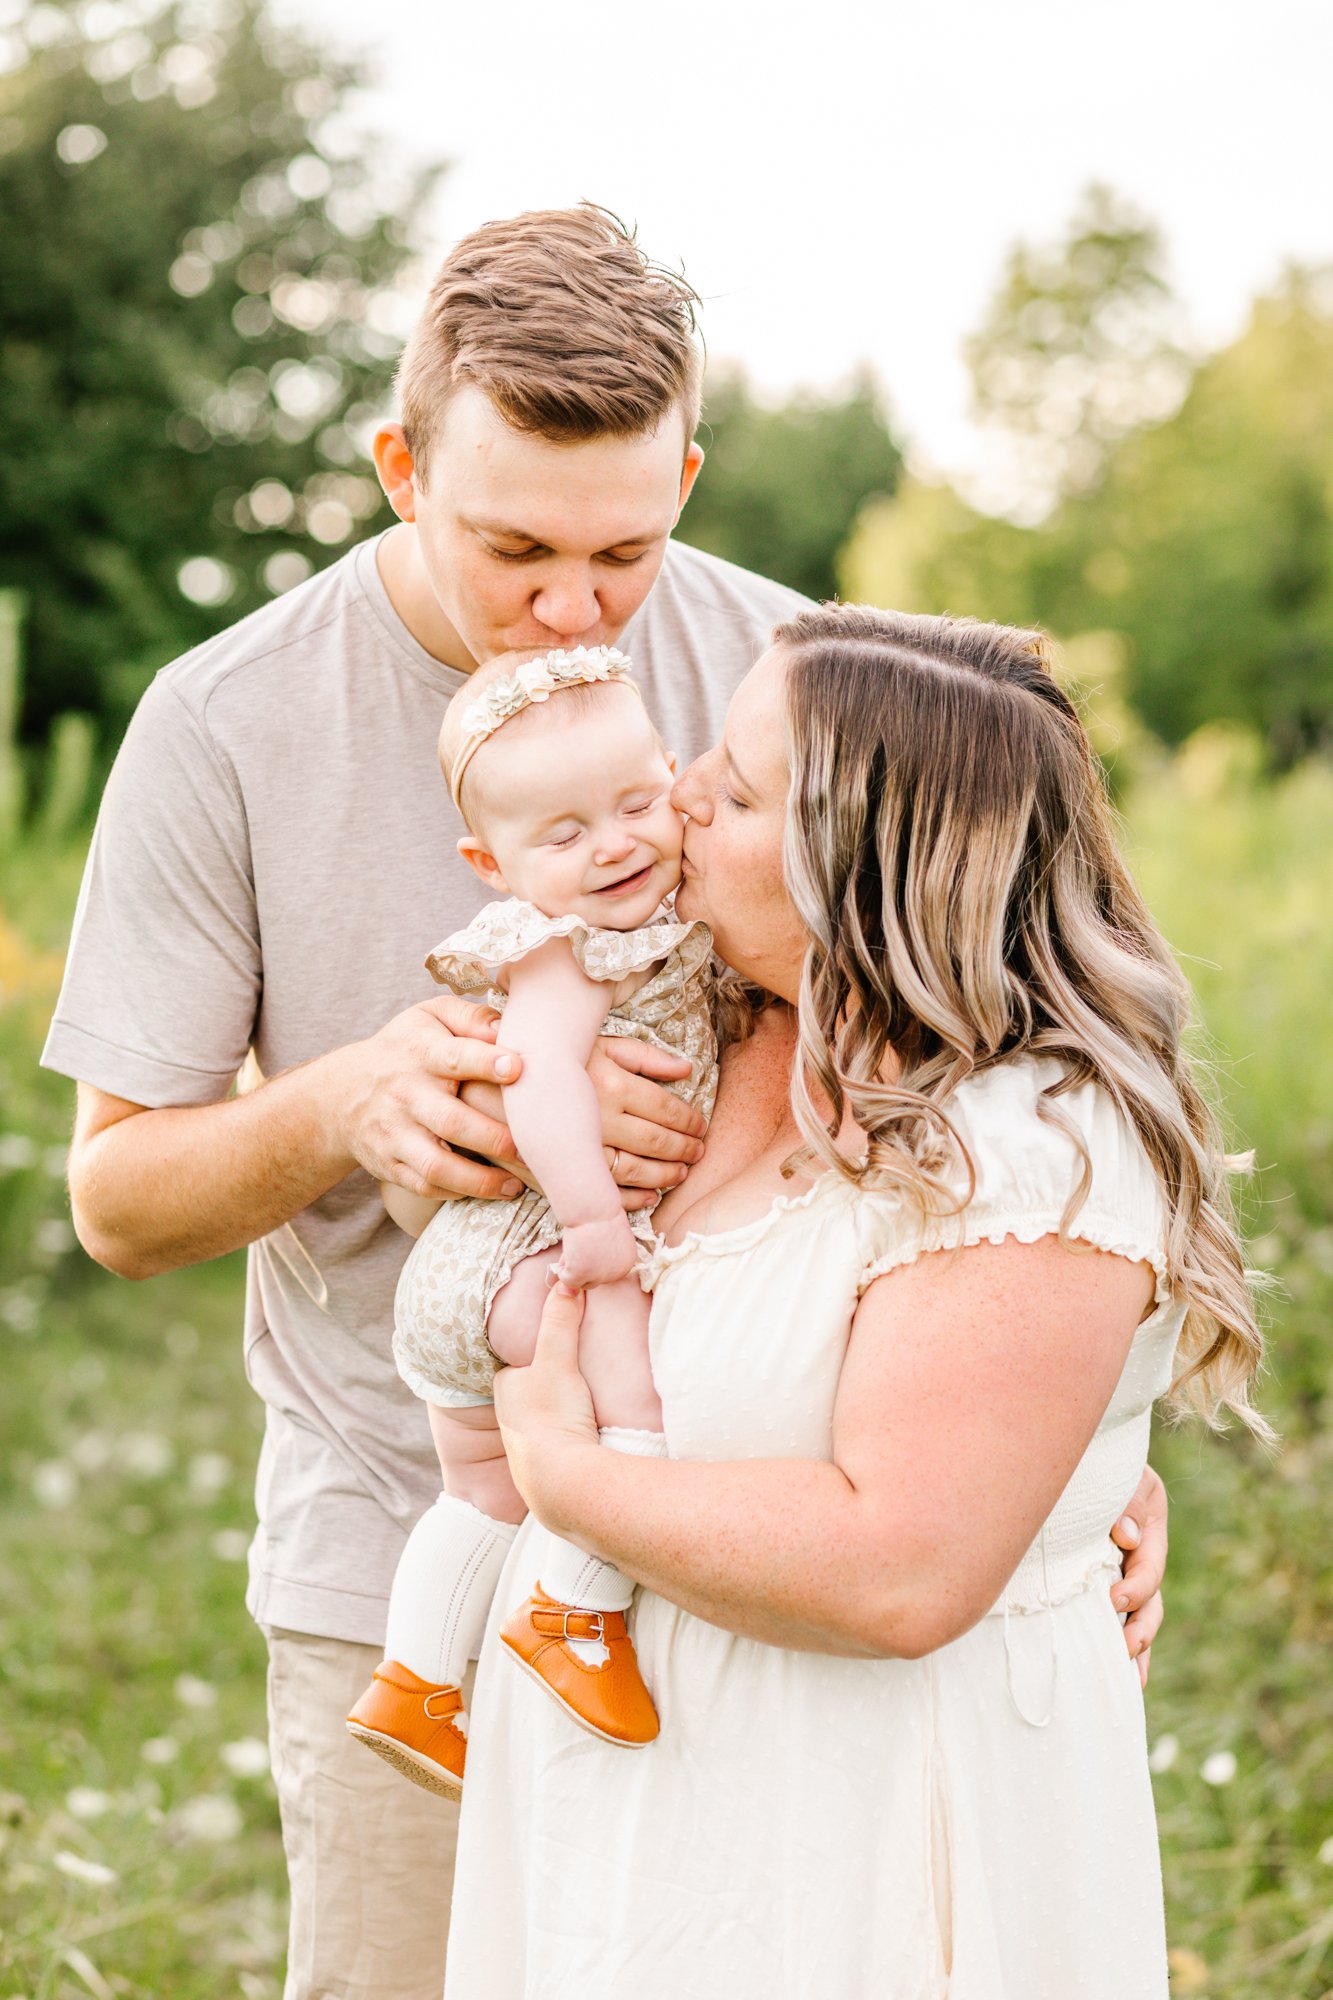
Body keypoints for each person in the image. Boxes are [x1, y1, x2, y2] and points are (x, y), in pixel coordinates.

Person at [41, 205, 1166, 1995]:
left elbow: (986, 1097)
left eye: (626, 551)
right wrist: (351, 1101)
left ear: (689, 479)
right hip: (407, 1527)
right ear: (400, 467)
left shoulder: (785, 677)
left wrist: (1064, 1456)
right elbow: (116, 1206)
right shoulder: (223, 722)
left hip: (755, 1540)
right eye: (515, 549)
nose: (575, 612)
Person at [444, 606, 1261, 1998]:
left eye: (742, 789)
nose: (682, 793)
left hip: (853, 1832)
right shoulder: (680, 1027)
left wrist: (559, 1476)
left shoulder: (1031, 1137)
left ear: (865, 872)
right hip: (629, 1825)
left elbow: (900, 1569)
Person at [347, 643, 718, 1794]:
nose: (610, 843)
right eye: (560, 835)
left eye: (634, 803)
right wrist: (593, 1220)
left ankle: (413, 1682)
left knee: (480, 1489)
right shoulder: (565, 947)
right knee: (634, 1399)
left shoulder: (648, 906)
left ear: (673, 772)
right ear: (489, 864)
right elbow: (542, 1075)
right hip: (530, 1253)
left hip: (451, 1284)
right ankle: (576, 1608)